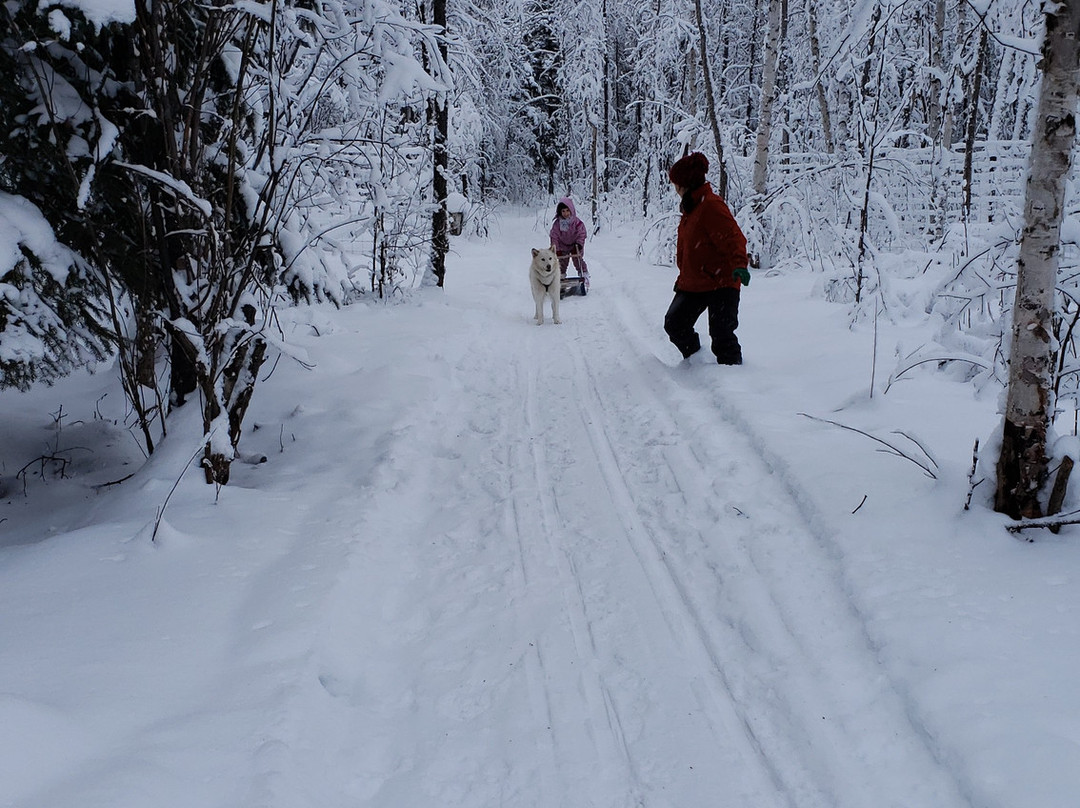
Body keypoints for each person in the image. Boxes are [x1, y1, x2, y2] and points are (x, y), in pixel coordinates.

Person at [664, 152, 750, 365]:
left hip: (722, 281)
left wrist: (740, 265)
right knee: (675, 324)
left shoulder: (710, 205)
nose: (674, 188)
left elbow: (734, 238)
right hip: (696, 281)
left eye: (676, 183)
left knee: (722, 337)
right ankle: (696, 365)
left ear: (685, 184)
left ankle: (734, 385)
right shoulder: (691, 206)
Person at [548, 197, 590, 292]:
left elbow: (581, 233)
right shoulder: (557, 224)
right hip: (562, 245)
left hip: (575, 244)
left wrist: (579, 244)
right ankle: (560, 278)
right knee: (561, 262)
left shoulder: (577, 223)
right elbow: (554, 236)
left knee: (577, 260)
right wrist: (556, 249)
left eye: (567, 211)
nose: (566, 213)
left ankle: (583, 274)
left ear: (571, 210)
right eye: (563, 211)